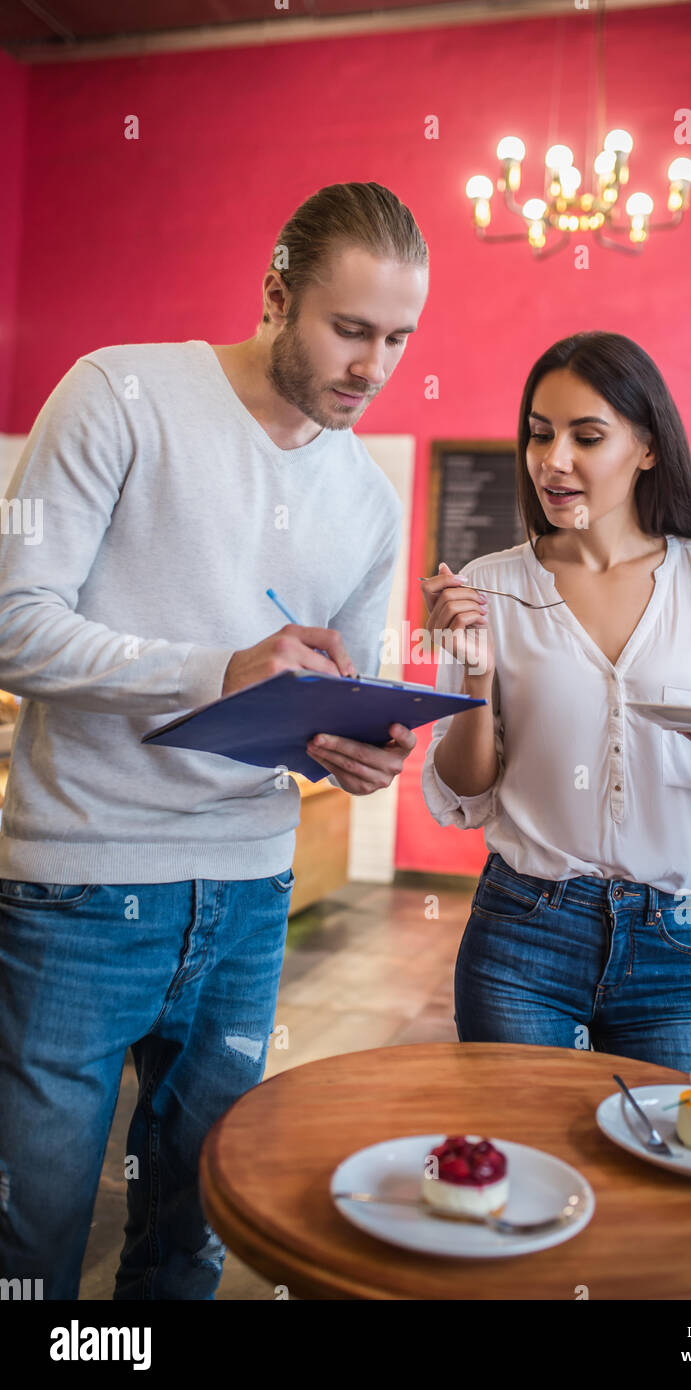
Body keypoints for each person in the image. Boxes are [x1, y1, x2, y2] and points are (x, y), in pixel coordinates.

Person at [0, 182, 427, 1299]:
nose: (372, 367)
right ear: (276, 295)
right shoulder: (120, 393)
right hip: (81, 886)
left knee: (190, 1234)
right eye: (350, 329)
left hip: (248, 892)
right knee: (30, 1236)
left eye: (397, 339)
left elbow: (336, 691)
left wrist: (360, 751)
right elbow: (13, 622)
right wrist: (216, 668)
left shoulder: (369, 500)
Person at [420, 331, 691, 1084]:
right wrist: (473, 674)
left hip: (679, 939)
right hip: (524, 932)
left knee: (688, 1152)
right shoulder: (489, 585)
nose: (552, 460)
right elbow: (466, 793)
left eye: (586, 437)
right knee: (523, 1150)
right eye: (539, 434)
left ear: (648, 448)